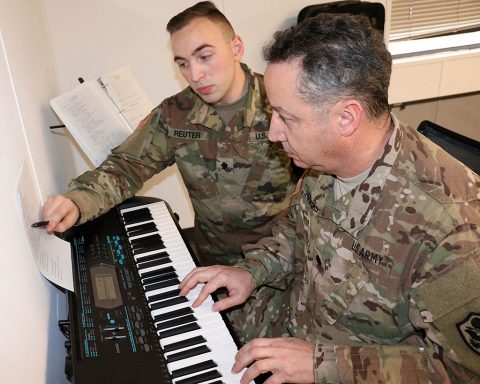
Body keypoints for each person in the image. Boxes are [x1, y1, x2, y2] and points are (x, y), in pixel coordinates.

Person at [179, 13, 480, 384]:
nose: (273, 133)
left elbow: (463, 371)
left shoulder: (452, 231)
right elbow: (297, 231)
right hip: (290, 323)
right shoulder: (324, 159)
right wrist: (252, 271)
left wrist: (323, 365)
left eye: (286, 117)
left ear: (346, 119)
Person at [42, 1, 295, 266]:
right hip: (213, 263)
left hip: (280, 264)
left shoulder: (283, 104)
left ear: (236, 48)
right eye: (183, 64)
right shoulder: (175, 114)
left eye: (204, 57)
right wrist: (78, 202)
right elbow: (126, 168)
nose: (195, 75)